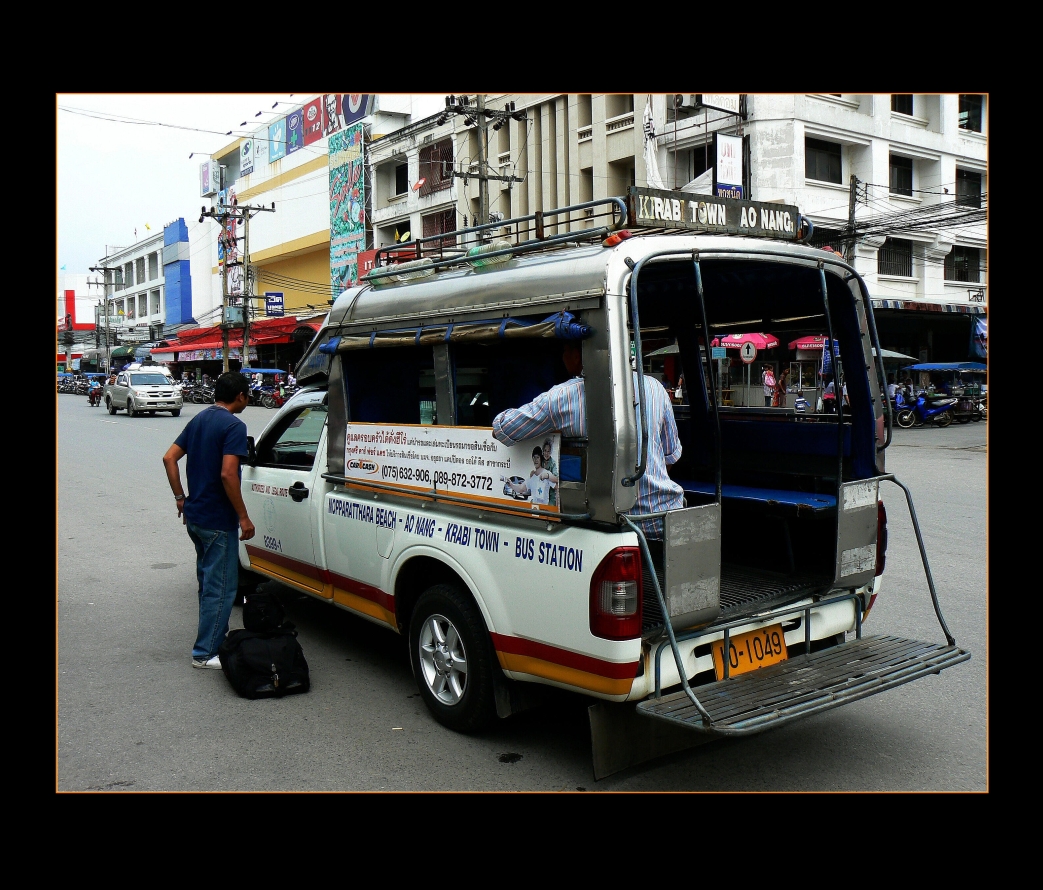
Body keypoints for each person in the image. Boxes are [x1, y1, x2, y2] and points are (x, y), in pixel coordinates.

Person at [491, 339, 683, 542]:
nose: (562, 357)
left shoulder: (563, 396)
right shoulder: (655, 388)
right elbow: (670, 456)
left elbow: (502, 429)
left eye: (564, 350)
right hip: (665, 517)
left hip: (619, 525)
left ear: (577, 355)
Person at [162, 372, 256, 670]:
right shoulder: (233, 426)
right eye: (247, 394)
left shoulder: (200, 419)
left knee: (208, 582)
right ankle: (205, 653)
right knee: (222, 586)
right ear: (240, 396)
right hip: (218, 519)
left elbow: (169, 458)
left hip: (196, 516)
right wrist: (243, 517)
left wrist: (180, 497)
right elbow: (229, 473)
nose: (248, 399)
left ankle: (215, 638)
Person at [541, 438, 559, 507]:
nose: (546, 453)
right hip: (541, 493)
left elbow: (556, 478)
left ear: (551, 452)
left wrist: (547, 476)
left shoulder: (553, 463)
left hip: (551, 494)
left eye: (548, 451)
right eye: (545, 451)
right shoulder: (540, 460)